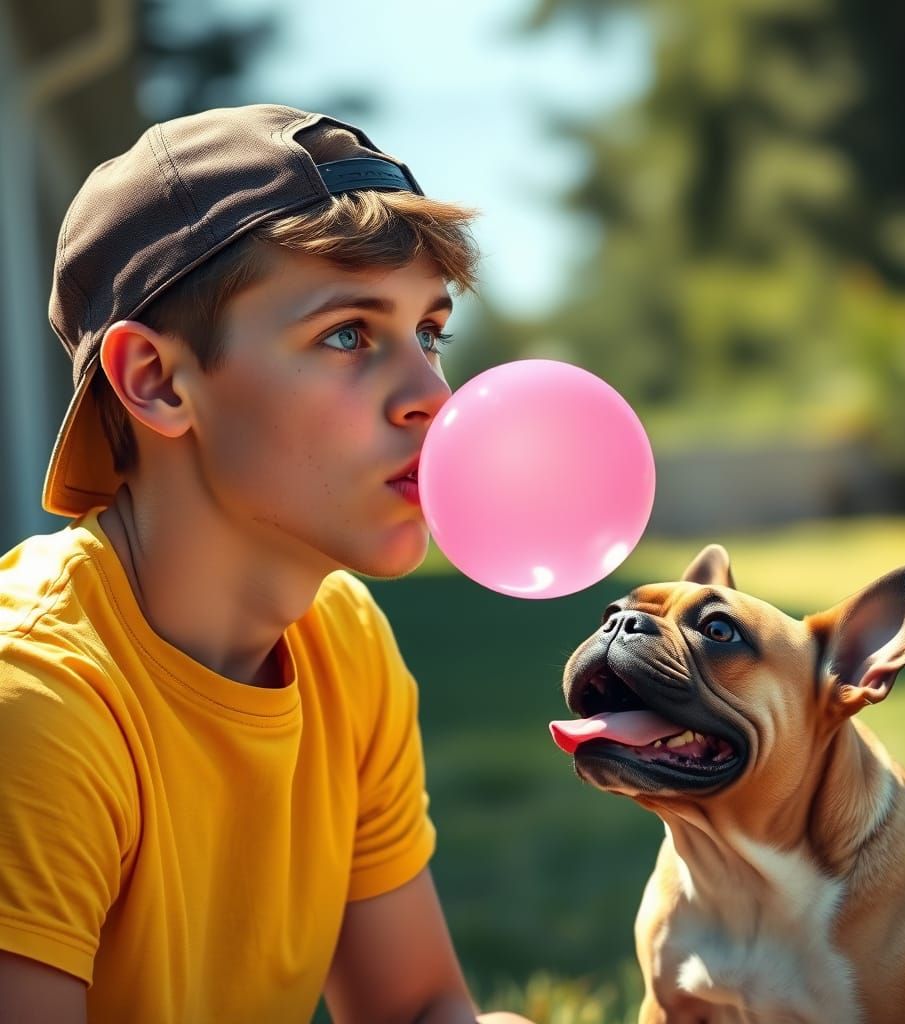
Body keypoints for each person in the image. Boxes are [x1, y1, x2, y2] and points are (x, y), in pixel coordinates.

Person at [0, 104, 534, 1024]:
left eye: (430, 334)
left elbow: (416, 1011)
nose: (433, 398)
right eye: (348, 336)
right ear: (158, 382)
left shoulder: (345, 643)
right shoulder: (37, 710)